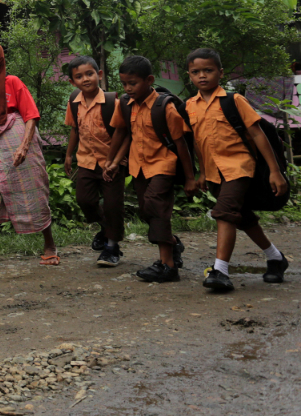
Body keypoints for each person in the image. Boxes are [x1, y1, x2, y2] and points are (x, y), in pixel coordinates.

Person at [183, 48, 289, 292]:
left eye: (208, 70)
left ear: (219, 73)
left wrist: (275, 171)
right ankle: (275, 258)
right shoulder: (190, 106)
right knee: (242, 218)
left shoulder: (234, 100)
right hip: (214, 172)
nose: (202, 76)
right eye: (195, 72)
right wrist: (201, 173)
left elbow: (257, 134)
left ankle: (220, 270)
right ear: (189, 75)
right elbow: (199, 142)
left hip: (240, 167)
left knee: (224, 212)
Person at [0, 41, 57, 272]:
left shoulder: (12, 82)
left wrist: (24, 147)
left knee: (33, 191)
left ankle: (50, 245)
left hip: (18, 141)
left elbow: (31, 115)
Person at [105, 55, 199, 283]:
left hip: (163, 164)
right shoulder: (125, 105)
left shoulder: (164, 107)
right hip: (138, 167)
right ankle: (173, 245)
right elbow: (121, 133)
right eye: (124, 84)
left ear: (149, 80)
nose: (128, 88)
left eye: (133, 83)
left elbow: (181, 144)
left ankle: (167, 266)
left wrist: (190, 178)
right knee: (146, 210)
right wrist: (112, 161)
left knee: (155, 207)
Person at [63, 55, 125, 267]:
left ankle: (112, 247)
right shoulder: (74, 103)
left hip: (111, 163)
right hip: (86, 161)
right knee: (84, 200)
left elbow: (121, 133)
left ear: (99, 74)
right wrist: (69, 154)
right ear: (73, 82)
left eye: (90, 74)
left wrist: (114, 161)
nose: (85, 79)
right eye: (79, 77)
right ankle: (106, 228)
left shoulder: (112, 103)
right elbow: (75, 129)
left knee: (113, 205)